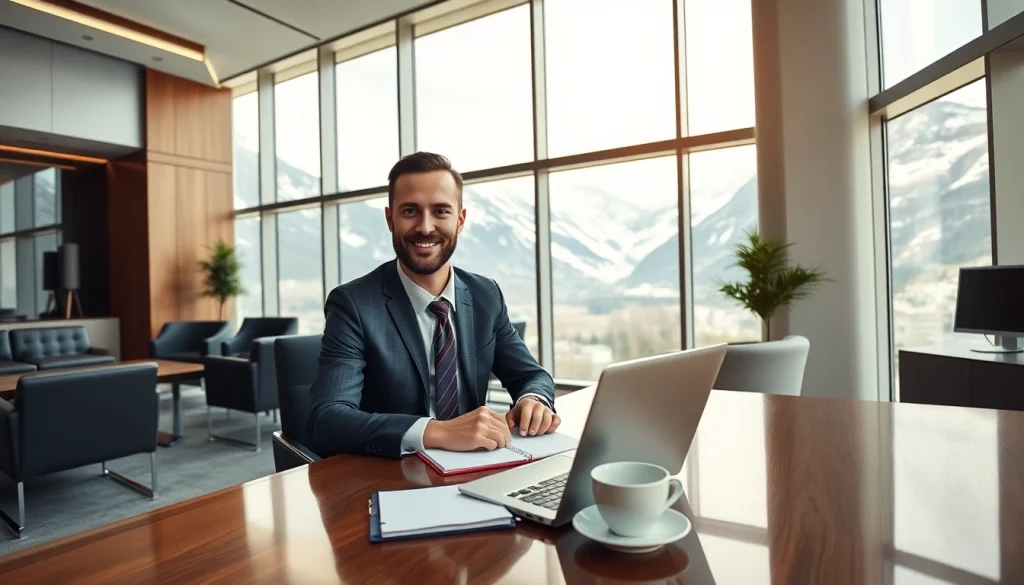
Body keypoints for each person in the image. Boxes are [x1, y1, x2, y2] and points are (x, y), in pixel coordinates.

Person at [307, 152, 559, 459]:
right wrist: (435, 432)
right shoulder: (354, 305)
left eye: (441, 211)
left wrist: (534, 400)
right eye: (410, 211)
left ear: (460, 220)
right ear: (390, 219)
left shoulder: (486, 294)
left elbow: (530, 375)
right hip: (395, 474)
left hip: (477, 464)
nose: (425, 227)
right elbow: (327, 420)